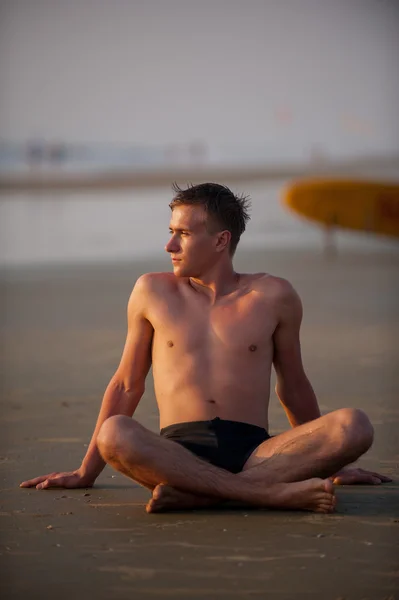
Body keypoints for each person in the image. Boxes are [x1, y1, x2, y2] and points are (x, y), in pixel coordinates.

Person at [20, 182, 391, 513]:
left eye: (182, 234)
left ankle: (205, 495)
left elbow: (293, 387)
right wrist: (87, 471)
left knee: (353, 425)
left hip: (256, 454)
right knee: (114, 434)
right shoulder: (152, 291)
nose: (169, 245)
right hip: (177, 454)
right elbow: (126, 385)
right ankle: (268, 495)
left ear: (220, 240)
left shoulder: (274, 295)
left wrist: (330, 460)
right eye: (170, 232)